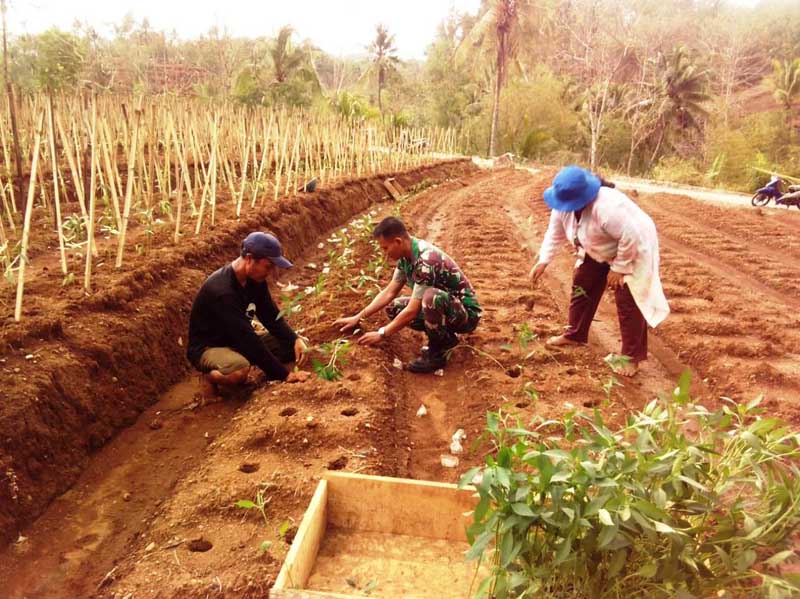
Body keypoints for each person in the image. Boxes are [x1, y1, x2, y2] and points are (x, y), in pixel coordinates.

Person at [529, 165, 669, 376]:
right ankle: (575, 334)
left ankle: (631, 358)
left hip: (635, 245)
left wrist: (620, 268)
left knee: (628, 298)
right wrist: (543, 260)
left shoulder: (607, 207)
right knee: (583, 283)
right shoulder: (562, 204)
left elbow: (631, 235)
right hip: (600, 245)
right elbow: (554, 232)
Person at [334, 217, 481, 373]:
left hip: (465, 315)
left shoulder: (426, 261)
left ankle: (437, 353)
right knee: (394, 307)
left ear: (398, 241)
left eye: (385, 248)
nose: (384, 254)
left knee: (431, 298)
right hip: (447, 309)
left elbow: (412, 310)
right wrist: (358, 317)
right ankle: (446, 338)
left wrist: (382, 333)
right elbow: (389, 292)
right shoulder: (406, 257)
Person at [187, 232, 310, 399]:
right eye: (268, 266)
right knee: (238, 372)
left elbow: (270, 315)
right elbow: (247, 339)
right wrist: (284, 375)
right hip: (209, 347)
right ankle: (209, 377)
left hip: (235, 340)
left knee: (295, 347)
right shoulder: (222, 291)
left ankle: (246, 357)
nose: (271, 272)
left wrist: (294, 338)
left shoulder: (255, 281)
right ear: (250, 259)